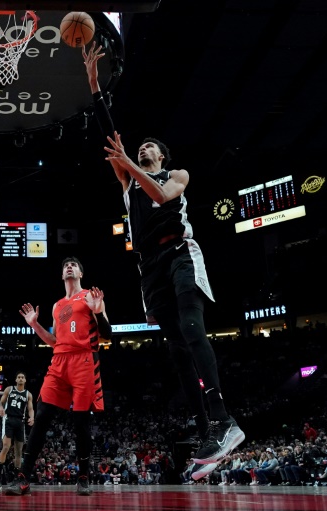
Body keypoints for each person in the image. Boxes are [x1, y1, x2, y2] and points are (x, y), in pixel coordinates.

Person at [82, 42, 244, 472]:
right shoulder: (128, 180)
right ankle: (206, 427)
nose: (144, 148)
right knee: (175, 350)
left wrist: (131, 168)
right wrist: (95, 87)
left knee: (193, 329)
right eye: (142, 147)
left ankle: (225, 420)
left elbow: (158, 193)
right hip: (148, 267)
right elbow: (108, 130)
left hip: (179, 253)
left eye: (151, 147)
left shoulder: (176, 175)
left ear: (162, 156)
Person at [4, 256, 111, 497]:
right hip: (59, 362)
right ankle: (23, 478)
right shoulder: (57, 305)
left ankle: (83, 477)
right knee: (41, 416)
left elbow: (108, 334)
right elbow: (55, 342)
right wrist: (35, 325)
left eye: (74, 265)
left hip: (84, 360)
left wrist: (99, 312)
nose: (69, 267)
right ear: (62, 275)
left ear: (80, 273)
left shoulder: (91, 297)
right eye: (65, 266)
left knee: (81, 422)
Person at [0, 371, 35, 489]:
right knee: (6, 446)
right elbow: (1, 402)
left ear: (25, 380)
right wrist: (1, 408)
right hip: (8, 420)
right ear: (16, 380)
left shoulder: (28, 394)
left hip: (20, 422)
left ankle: (16, 478)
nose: (21, 379)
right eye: (19, 377)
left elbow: (30, 409)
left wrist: (32, 417)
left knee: (18, 452)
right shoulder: (9, 389)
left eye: (23, 377)